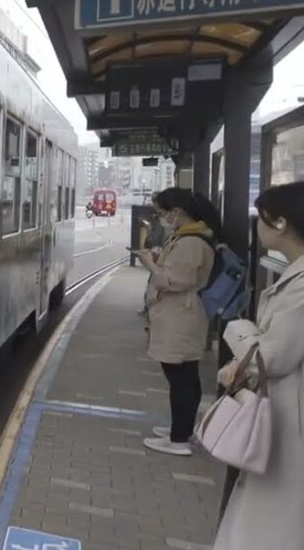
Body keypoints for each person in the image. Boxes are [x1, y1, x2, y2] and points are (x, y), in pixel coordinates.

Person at [211, 181, 304, 550]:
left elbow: (272, 356)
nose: (257, 225)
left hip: (295, 420)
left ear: (281, 225)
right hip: (290, 413)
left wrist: (237, 328)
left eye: (262, 218)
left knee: (276, 517)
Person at [135, 187, 222, 456]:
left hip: (181, 314)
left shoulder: (191, 242)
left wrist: (149, 263)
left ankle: (179, 439)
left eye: (161, 212)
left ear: (176, 212)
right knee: (184, 375)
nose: (161, 217)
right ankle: (181, 428)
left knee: (181, 377)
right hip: (181, 314)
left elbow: (173, 281)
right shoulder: (189, 237)